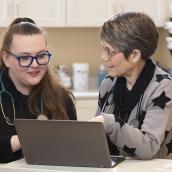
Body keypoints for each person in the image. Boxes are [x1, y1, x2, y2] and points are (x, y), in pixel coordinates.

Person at [91, 12, 172, 159]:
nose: (103, 57)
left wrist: (110, 122)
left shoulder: (163, 86)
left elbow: (149, 146)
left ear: (134, 55)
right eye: (103, 50)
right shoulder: (108, 83)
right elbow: (96, 140)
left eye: (108, 51)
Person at [0, 17, 77, 163]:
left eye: (41, 55)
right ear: (6, 58)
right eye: (24, 57)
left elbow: (73, 150)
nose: (35, 65)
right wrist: (23, 139)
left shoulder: (62, 98)